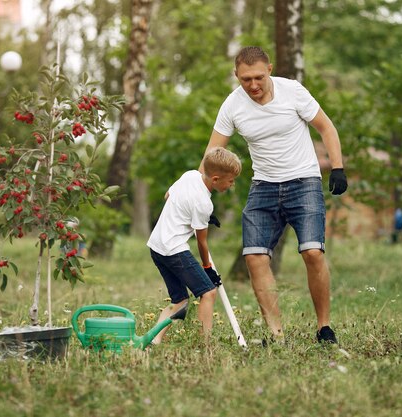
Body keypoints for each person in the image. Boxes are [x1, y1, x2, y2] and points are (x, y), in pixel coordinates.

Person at [202, 46, 347, 344]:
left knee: (312, 252)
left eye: (258, 77)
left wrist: (338, 168)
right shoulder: (232, 105)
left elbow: (326, 128)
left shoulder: (292, 92)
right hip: (263, 186)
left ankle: (324, 328)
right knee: (254, 258)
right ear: (236, 76)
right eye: (245, 79)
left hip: (304, 181)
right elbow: (212, 155)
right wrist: (201, 196)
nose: (252, 85)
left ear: (269, 69)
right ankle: (276, 334)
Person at [148, 147, 242, 344]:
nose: (232, 185)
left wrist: (190, 213)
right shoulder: (203, 204)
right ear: (216, 179)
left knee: (180, 301)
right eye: (231, 181)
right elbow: (202, 241)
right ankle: (204, 343)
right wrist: (207, 267)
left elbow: (168, 196)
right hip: (174, 249)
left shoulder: (190, 175)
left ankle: (153, 341)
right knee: (208, 292)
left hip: (157, 246)